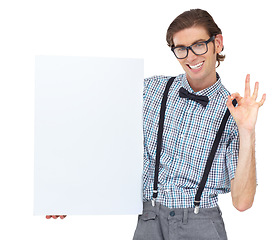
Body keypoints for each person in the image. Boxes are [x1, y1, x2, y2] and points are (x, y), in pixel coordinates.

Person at [133, 9, 266, 240]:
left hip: (200, 224)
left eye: (198, 45)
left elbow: (242, 202)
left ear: (218, 43)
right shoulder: (150, 90)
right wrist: (66, 194)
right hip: (148, 221)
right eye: (181, 49)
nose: (191, 56)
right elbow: (98, 131)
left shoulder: (234, 113)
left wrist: (246, 130)